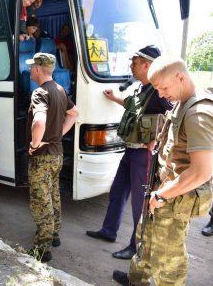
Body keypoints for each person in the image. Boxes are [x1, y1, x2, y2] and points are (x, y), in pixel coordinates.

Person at [112, 57, 213, 285]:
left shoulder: (198, 113)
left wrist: (162, 195)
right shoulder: (180, 100)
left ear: (180, 77)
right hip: (162, 189)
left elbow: (201, 172)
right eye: (156, 89)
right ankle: (137, 280)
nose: (160, 95)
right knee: (145, 241)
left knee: (169, 262)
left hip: (175, 197)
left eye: (163, 88)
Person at [86, 45, 172, 260]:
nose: (131, 67)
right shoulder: (143, 88)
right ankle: (108, 231)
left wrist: (156, 140)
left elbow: (173, 118)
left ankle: (136, 247)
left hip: (143, 155)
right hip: (130, 151)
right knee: (117, 192)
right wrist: (114, 98)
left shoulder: (159, 91)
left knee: (139, 204)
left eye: (134, 63)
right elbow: (135, 107)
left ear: (147, 65)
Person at [26, 53, 79, 262]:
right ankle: (55, 234)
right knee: (53, 194)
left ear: (38, 69)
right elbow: (74, 113)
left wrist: (34, 144)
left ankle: (42, 248)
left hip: (42, 156)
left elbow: (39, 121)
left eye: (32, 67)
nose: (30, 70)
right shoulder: (59, 89)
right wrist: (59, 134)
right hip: (57, 154)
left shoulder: (39, 92)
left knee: (41, 200)